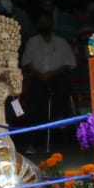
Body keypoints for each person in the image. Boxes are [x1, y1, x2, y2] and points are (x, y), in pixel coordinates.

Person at [19, 11, 76, 147]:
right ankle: (34, 139)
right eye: (42, 22)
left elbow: (70, 63)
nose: (45, 25)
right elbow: (26, 63)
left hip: (57, 76)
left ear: (51, 24)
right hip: (38, 77)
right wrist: (39, 74)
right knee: (34, 94)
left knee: (62, 87)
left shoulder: (61, 42)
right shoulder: (32, 42)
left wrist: (52, 73)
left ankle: (58, 125)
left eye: (47, 22)